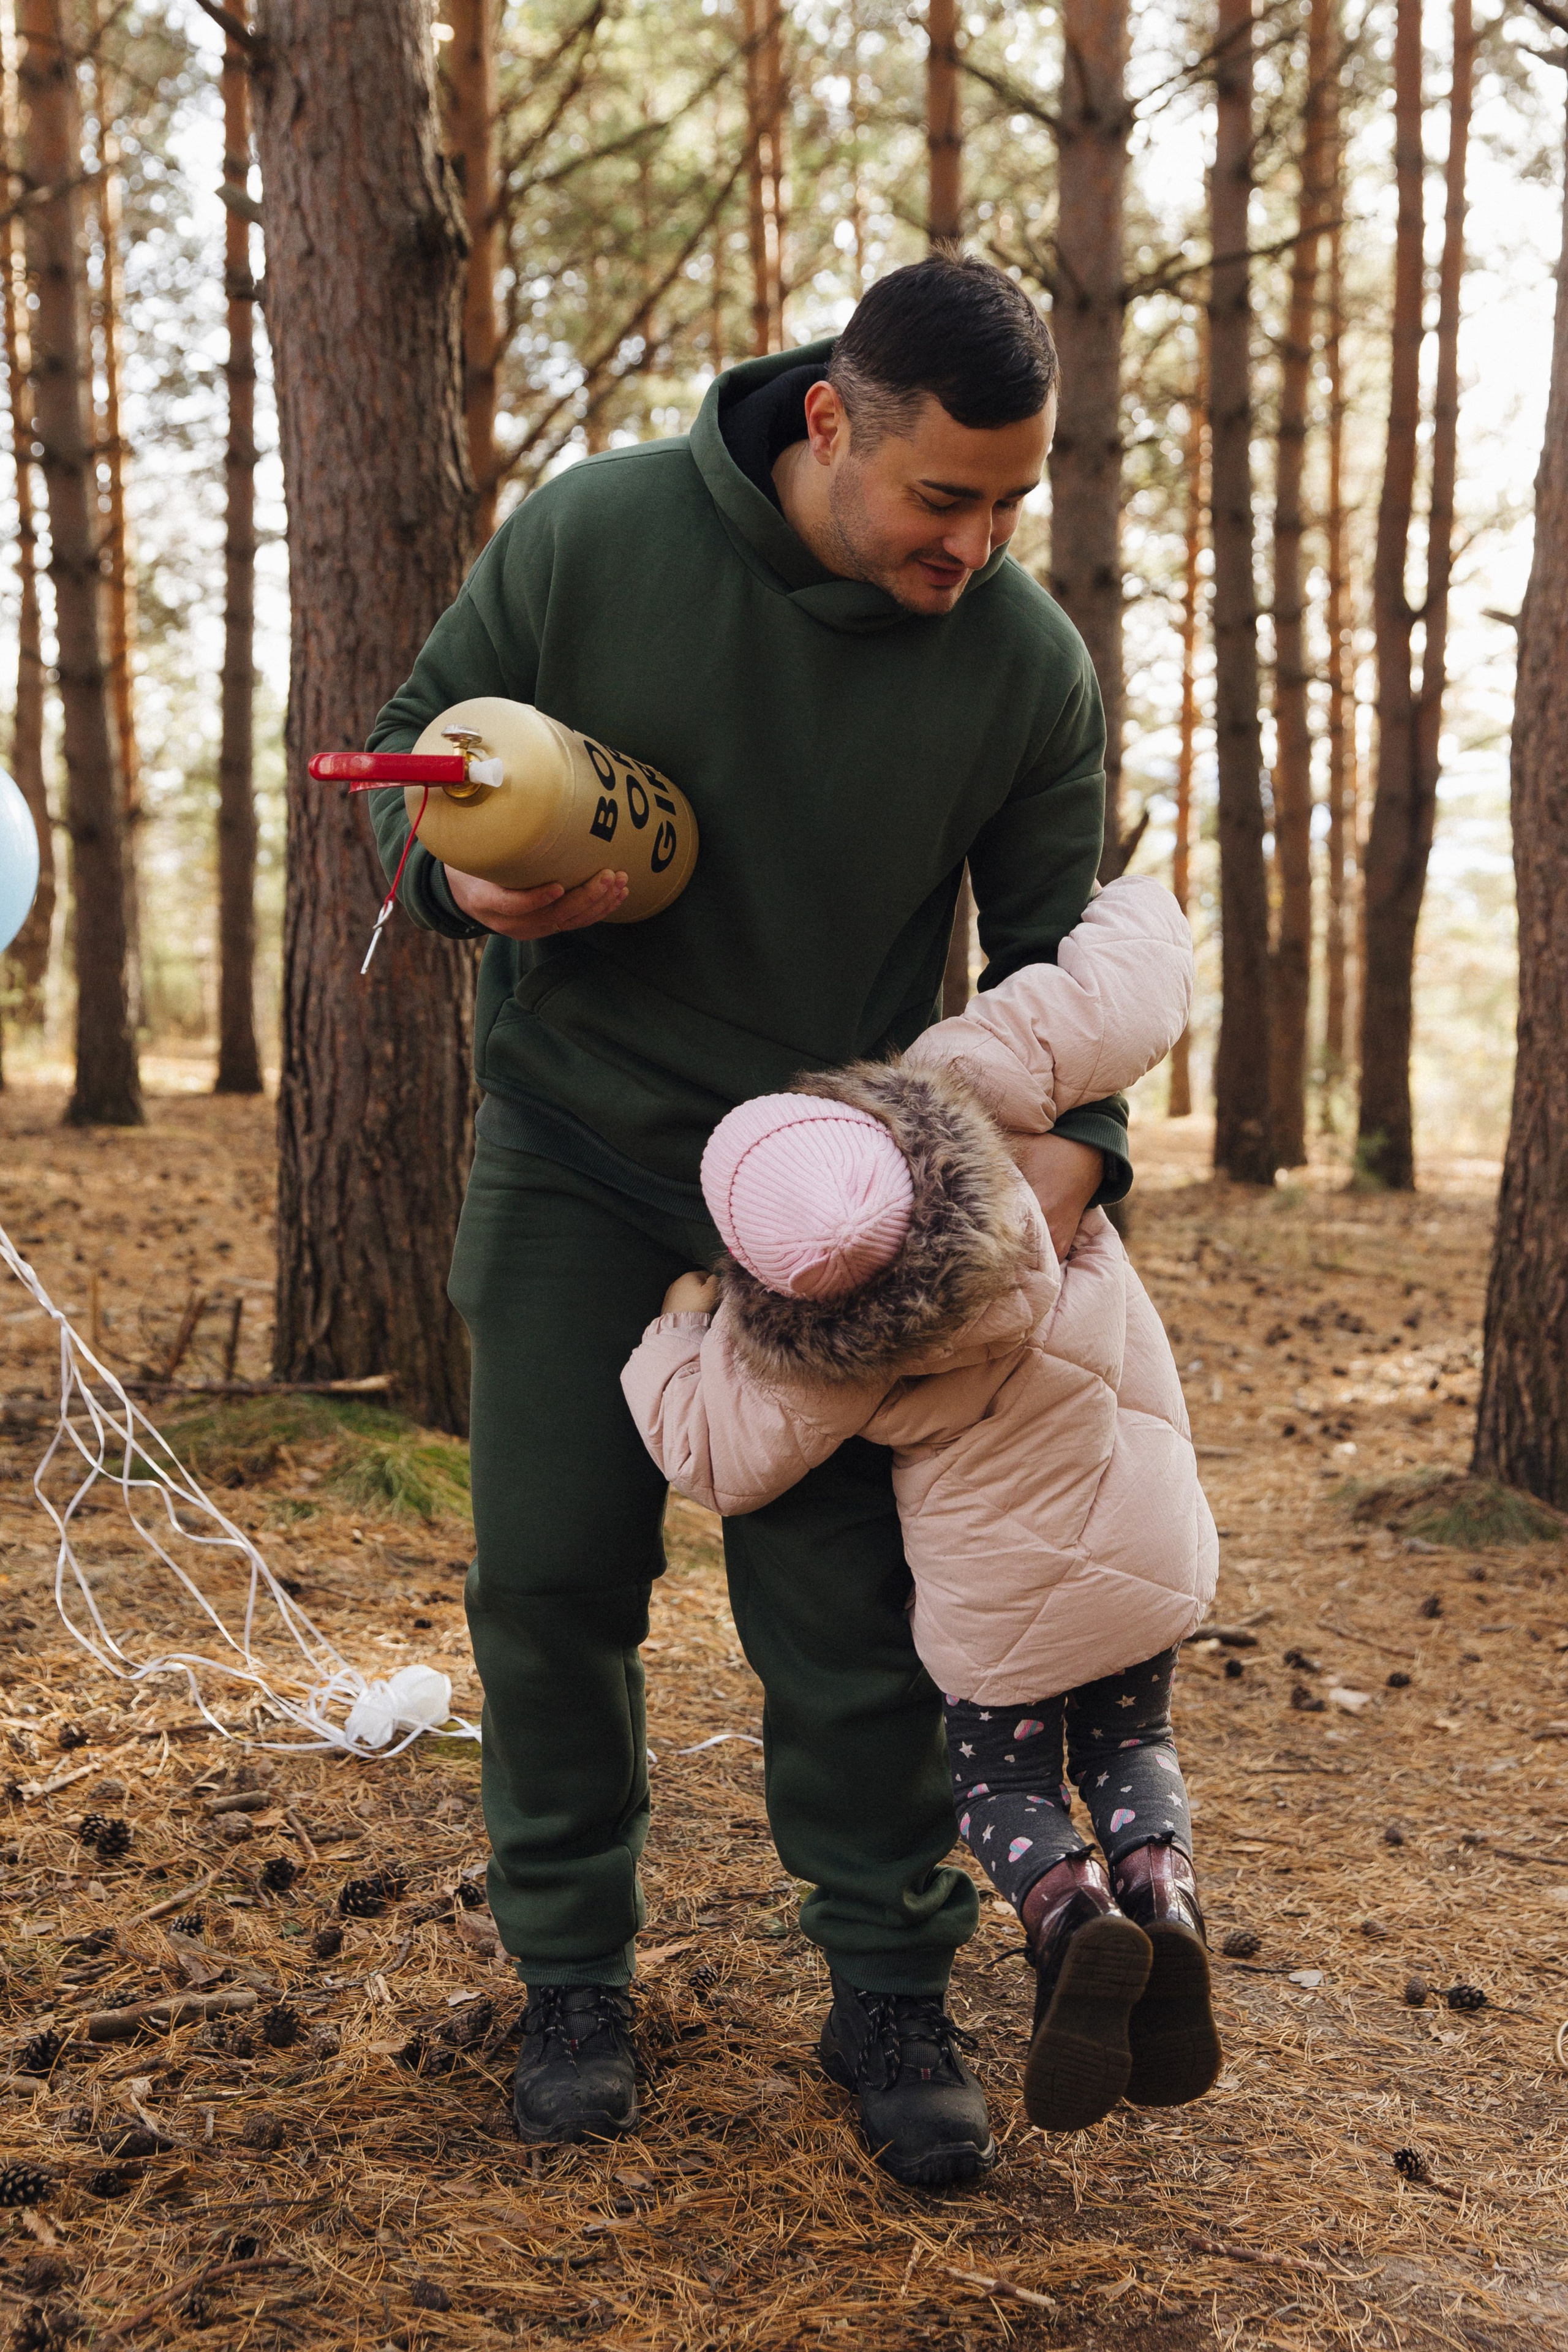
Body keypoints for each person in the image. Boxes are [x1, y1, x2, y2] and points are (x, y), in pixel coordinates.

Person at [368, 254, 1133, 2188]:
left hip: (835, 1192)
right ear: (828, 421)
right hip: (576, 1146)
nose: (974, 543)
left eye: (1009, 503)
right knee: (548, 1586)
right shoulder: (599, 535)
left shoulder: (1026, 665)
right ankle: (570, 1984)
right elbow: (411, 751)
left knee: (850, 1620)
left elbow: (1071, 954)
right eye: (941, 496)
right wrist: (473, 896)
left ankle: (888, 1988)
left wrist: (1086, 1151)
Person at [622, 876, 1222, 2144]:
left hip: (996, 1616)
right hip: (1145, 1537)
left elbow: (715, 1459)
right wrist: (1132, 904)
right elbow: (1116, 999)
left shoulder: (810, 1356)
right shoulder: (977, 1081)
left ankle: (1064, 1909)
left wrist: (682, 1329)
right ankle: (1159, 1889)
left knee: (1001, 1791)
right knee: (1126, 1743)